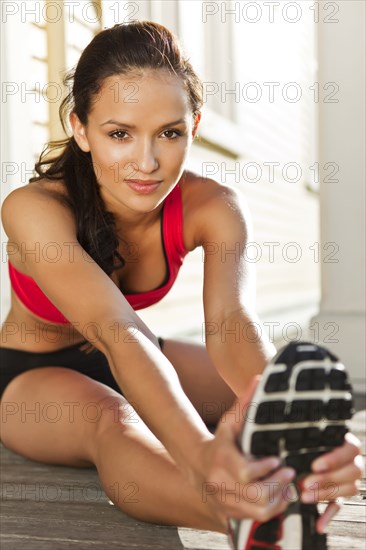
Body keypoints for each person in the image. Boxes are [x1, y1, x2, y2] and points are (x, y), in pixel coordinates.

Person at [0, 20, 362, 538]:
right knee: (115, 421)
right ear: (80, 128)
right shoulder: (34, 210)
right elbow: (116, 332)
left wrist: (288, 428)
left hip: (146, 351)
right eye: (119, 134)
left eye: (168, 133)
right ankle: (243, 517)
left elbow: (232, 324)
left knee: (277, 399)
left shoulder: (213, 208)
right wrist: (201, 457)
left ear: (193, 127)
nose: (146, 163)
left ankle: (297, 480)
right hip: (32, 376)